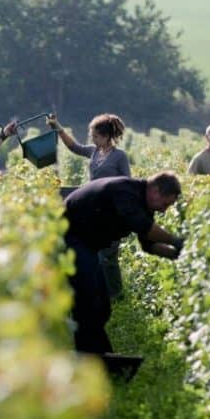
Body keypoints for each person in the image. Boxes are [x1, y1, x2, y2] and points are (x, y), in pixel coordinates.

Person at [63, 171, 185, 355]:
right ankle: (91, 357)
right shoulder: (125, 192)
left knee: (102, 306)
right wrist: (175, 240)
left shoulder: (143, 205)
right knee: (87, 301)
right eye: (165, 204)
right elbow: (144, 227)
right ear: (155, 191)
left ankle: (98, 355)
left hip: (87, 245)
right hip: (68, 237)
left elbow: (148, 245)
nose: (163, 210)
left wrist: (177, 254)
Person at [47, 113, 131, 300]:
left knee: (108, 256)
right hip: (94, 211)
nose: (92, 139)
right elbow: (73, 147)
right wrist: (57, 127)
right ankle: (103, 293)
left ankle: (116, 294)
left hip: (112, 212)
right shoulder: (94, 152)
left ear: (106, 136)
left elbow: (128, 183)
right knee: (96, 253)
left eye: (95, 136)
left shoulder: (119, 157)